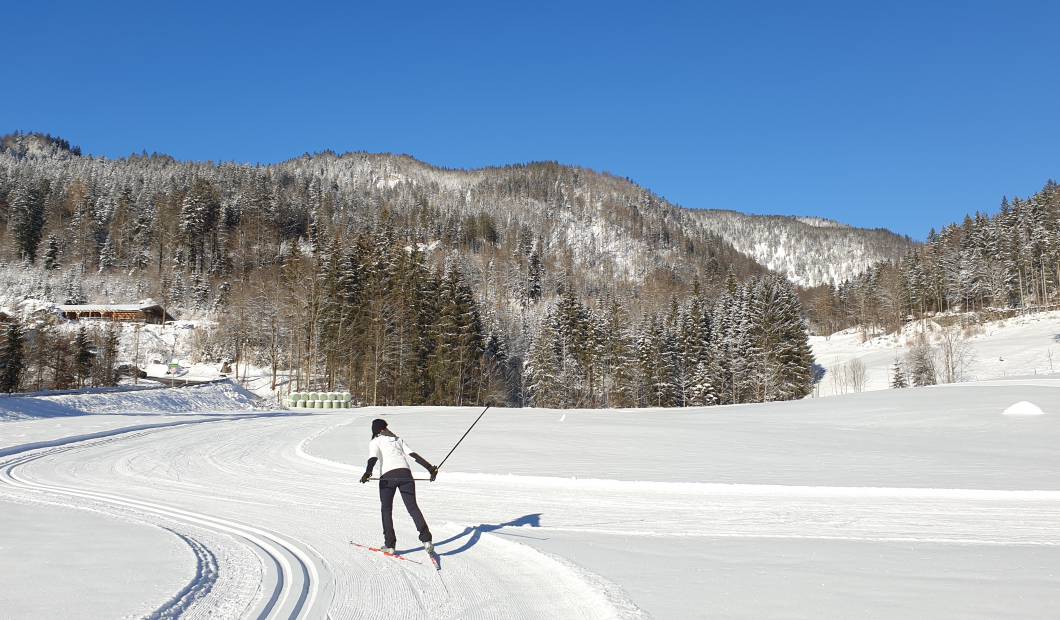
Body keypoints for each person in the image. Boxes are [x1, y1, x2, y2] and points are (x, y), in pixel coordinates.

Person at [360, 418, 438, 554]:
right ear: (383, 429)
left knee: (386, 510)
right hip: (405, 474)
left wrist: (368, 472)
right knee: (412, 508)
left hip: (387, 477)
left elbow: (373, 458)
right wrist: (430, 468)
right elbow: (413, 455)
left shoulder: (375, 442)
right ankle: (427, 540)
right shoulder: (397, 440)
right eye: (386, 427)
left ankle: (390, 545)